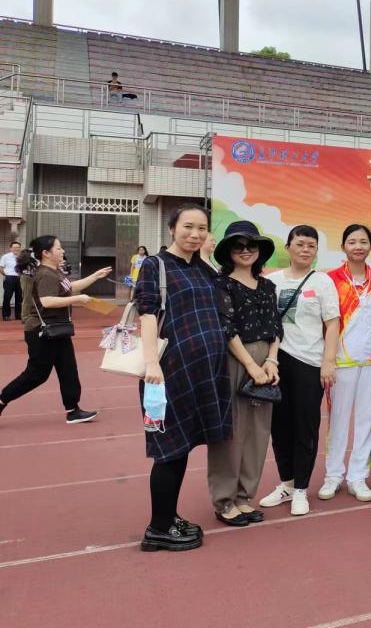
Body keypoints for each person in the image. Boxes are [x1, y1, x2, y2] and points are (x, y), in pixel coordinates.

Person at [137, 204, 230, 552]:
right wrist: (152, 363)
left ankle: (168, 516)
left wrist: (207, 256)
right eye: (188, 226)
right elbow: (147, 314)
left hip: (202, 373)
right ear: (172, 228)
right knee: (169, 450)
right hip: (168, 373)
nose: (195, 234)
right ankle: (158, 529)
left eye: (202, 228)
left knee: (183, 447)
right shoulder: (155, 265)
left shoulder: (200, 267)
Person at [259, 225, 340, 516]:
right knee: (279, 427)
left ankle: (302, 489)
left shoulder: (323, 281)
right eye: (300, 244)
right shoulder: (272, 281)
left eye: (311, 246)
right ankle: (287, 484)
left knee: (305, 427)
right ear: (288, 247)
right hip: (276, 362)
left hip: (309, 362)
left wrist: (328, 361)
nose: (305, 250)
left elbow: (332, 323)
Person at [208, 221, 282, 527]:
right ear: (228, 251)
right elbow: (226, 328)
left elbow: (276, 327)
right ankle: (224, 500)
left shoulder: (267, 286)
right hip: (235, 360)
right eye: (238, 246)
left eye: (251, 245)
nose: (245, 250)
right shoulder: (221, 284)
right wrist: (251, 365)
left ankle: (243, 497)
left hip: (266, 361)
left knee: (258, 432)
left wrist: (272, 361)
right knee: (232, 432)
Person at [0, 237, 110, 422]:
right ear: (46, 253)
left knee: (68, 369)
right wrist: (78, 299)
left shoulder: (55, 271)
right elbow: (47, 301)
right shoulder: (45, 274)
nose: (62, 251)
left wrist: (95, 276)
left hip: (58, 329)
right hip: (41, 331)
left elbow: (70, 287)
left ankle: (73, 410)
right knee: (37, 374)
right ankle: (2, 399)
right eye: (58, 248)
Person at [320, 224, 371, 504]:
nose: (358, 246)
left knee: (366, 419)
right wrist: (327, 360)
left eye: (363, 242)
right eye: (352, 241)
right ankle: (333, 475)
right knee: (338, 419)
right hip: (340, 362)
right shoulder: (330, 280)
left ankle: (358, 476)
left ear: (370, 245)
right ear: (343, 246)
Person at [2, 241, 22, 321]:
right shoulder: (5, 256)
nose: (16, 249)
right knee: (7, 297)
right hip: (9, 278)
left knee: (19, 298)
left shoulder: (23, 257)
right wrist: (6, 275)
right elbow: (1, 267)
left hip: (20, 278)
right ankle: (6, 315)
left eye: (18, 247)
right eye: (14, 247)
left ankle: (18, 315)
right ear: (10, 248)